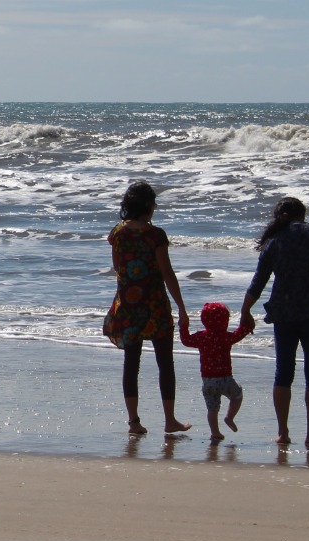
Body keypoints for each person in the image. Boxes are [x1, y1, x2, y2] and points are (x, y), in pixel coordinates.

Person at [240, 196, 309, 448]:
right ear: (303, 213)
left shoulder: (274, 241)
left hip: (284, 314)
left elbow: (259, 281)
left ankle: (283, 432)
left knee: (283, 372)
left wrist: (245, 311)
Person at [103, 181, 192, 436]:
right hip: (155, 306)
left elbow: (119, 270)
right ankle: (170, 420)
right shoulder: (155, 235)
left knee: (131, 363)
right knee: (165, 362)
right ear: (148, 206)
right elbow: (167, 273)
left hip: (129, 305)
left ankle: (134, 422)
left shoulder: (118, 233)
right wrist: (182, 308)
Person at [179, 301, 254, 443]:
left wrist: (183, 326)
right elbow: (239, 334)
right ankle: (229, 417)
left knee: (212, 409)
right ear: (225, 320)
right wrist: (248, 325)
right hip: (226, 379)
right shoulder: (226, 337)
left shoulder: (202, 337)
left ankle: (215, 433)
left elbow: (186, 340)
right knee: (237, 396)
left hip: (208, 381)